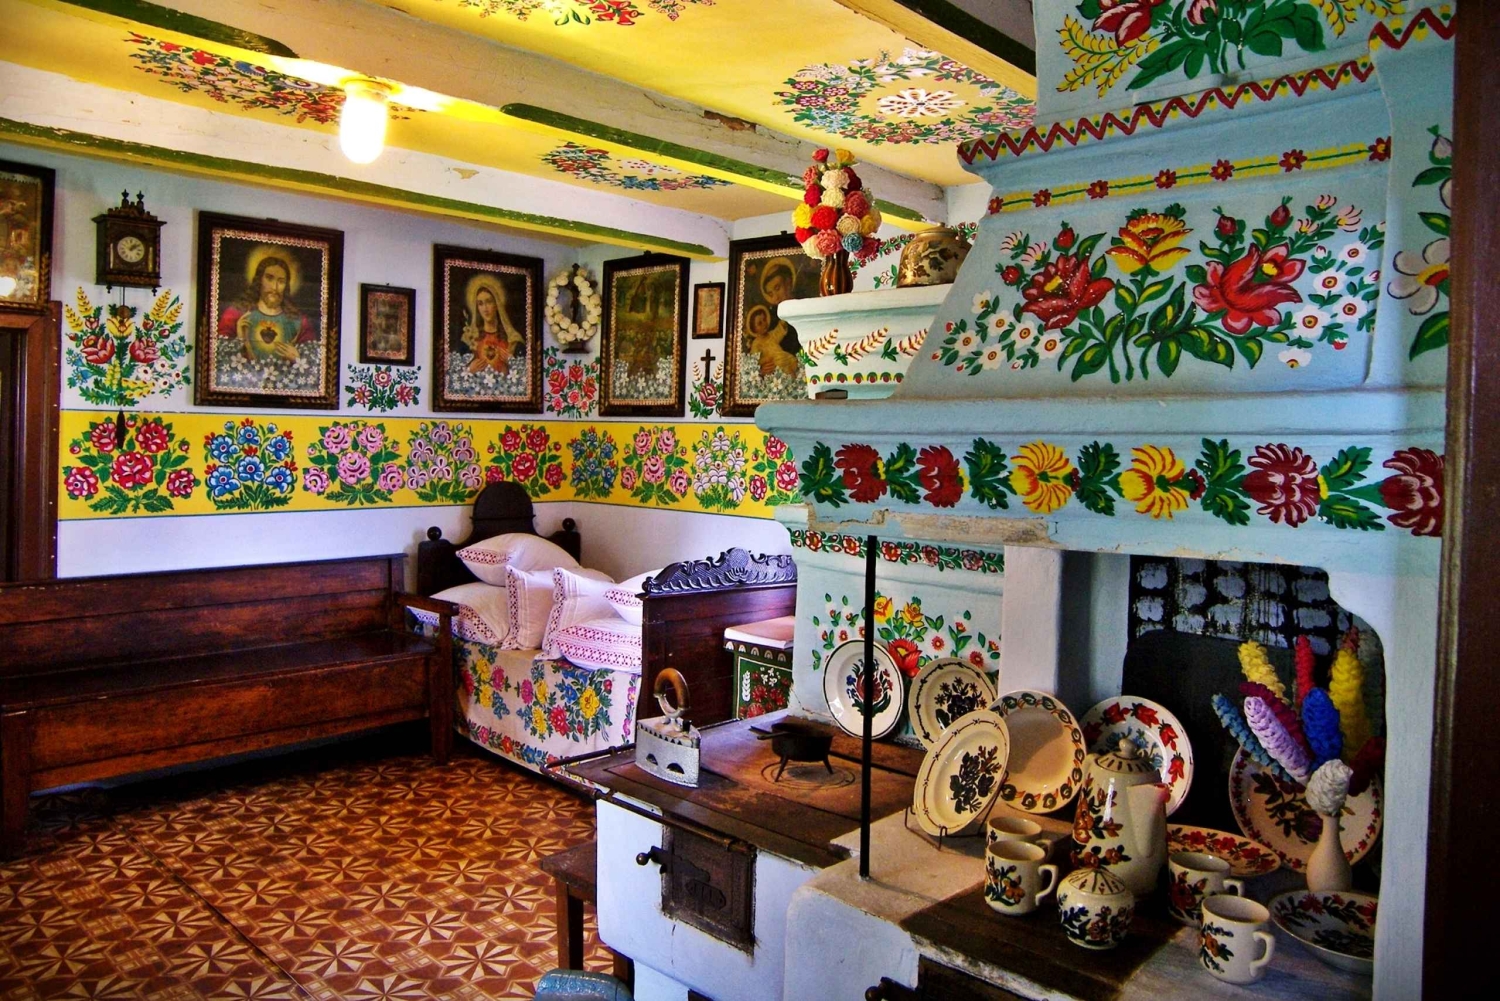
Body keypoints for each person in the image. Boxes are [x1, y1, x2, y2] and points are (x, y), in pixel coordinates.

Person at [217, 253, 315, 362]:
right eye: (269, 278)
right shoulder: (236, 314)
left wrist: (298, 358)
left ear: (286, 286)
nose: (274, 287)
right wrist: (240, 341)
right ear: (259, 280)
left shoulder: (299, 322)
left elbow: (314, 360)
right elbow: (218, 355)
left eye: (281, 281)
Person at [461, 276, 525, 374]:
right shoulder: (470, 339)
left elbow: (526, 374)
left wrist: (512, 362)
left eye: (489, 302)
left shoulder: (512, 340)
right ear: (477, 308)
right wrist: (469, 370)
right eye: (480, 304)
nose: (485, 308)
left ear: (497, 304)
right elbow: (455, 373)